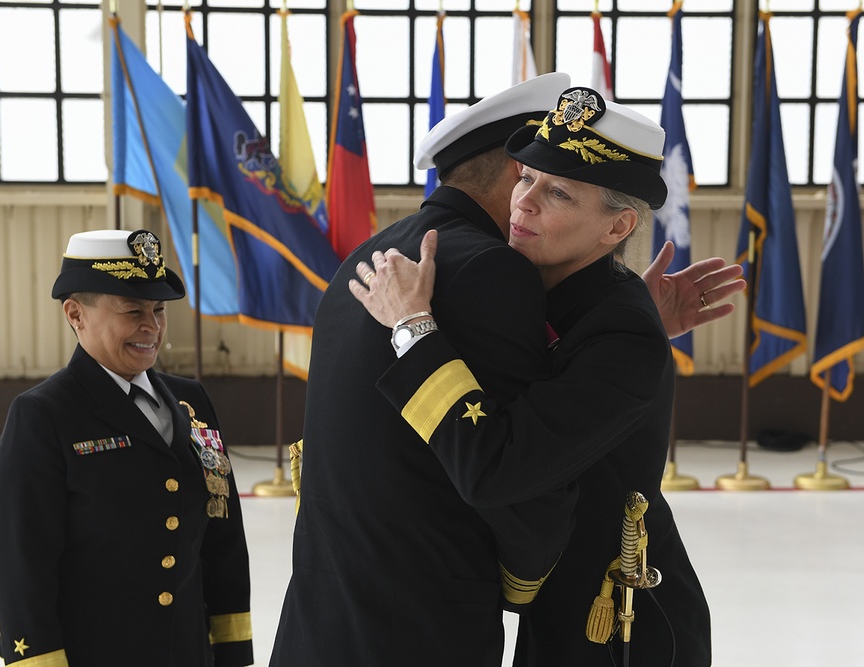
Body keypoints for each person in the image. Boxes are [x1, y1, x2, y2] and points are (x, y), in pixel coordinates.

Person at [271, 74, 738, 667]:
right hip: (554, 617)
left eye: (559, 193)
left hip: (614, 628)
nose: (524, 201)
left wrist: (414, 328)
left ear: (618, 228)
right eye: (525, 177)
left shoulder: (621, 331)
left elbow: (496, 468)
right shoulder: (584, 306)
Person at [0, 229, 253, 667]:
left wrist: (232, 650)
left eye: (159, 309)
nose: (152, 326)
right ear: (76, 315)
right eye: (132, 311)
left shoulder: (192, 402)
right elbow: (23, 567)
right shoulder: (43, 416)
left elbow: (222, 540)